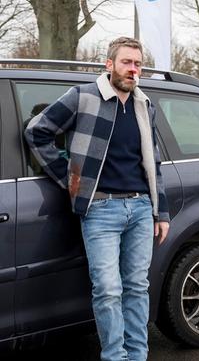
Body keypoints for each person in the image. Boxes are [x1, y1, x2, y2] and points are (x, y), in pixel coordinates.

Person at [25, 37, 170, 360]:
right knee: (108, 291)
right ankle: (115, 356)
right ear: (109, 64)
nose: (133, 70)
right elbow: (37, 131)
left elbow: (153, 163)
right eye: (127, 62)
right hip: (101, 209)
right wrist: (70, 179)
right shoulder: (83, 97)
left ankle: (137, 355)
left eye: (138, 64)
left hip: (141, 207)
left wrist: (162, 213)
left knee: (136, 288)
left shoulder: (144, 105)